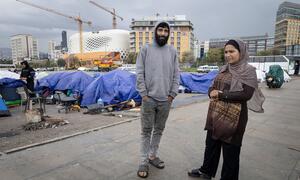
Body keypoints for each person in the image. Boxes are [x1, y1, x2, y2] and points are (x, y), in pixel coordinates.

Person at [188, 39, 265, 180]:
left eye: (232, 51)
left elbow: (246, 94)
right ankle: (206, 171)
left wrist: (221, 94)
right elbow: (212, 86)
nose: (228, 55)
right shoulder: (224, 69)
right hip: (216, 113)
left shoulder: (249, 71)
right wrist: (211, 91)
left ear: (241, 52)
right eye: (226, 52)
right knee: (211, 145)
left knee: (231, 152)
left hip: (235, 118)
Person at [136, 21, 179, 178]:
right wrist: (144, 94)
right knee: (146, 131)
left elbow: (176, 74)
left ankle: (152, 156)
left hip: (165, 100)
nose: (162, 33)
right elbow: (139, 72)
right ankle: (143, 161)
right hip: (149, 99)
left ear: (168, 33)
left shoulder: (172, 51)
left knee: (159, 130)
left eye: (165, 31)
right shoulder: (146, 49)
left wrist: (172, 95)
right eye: (160, 30)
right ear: (155, 31)